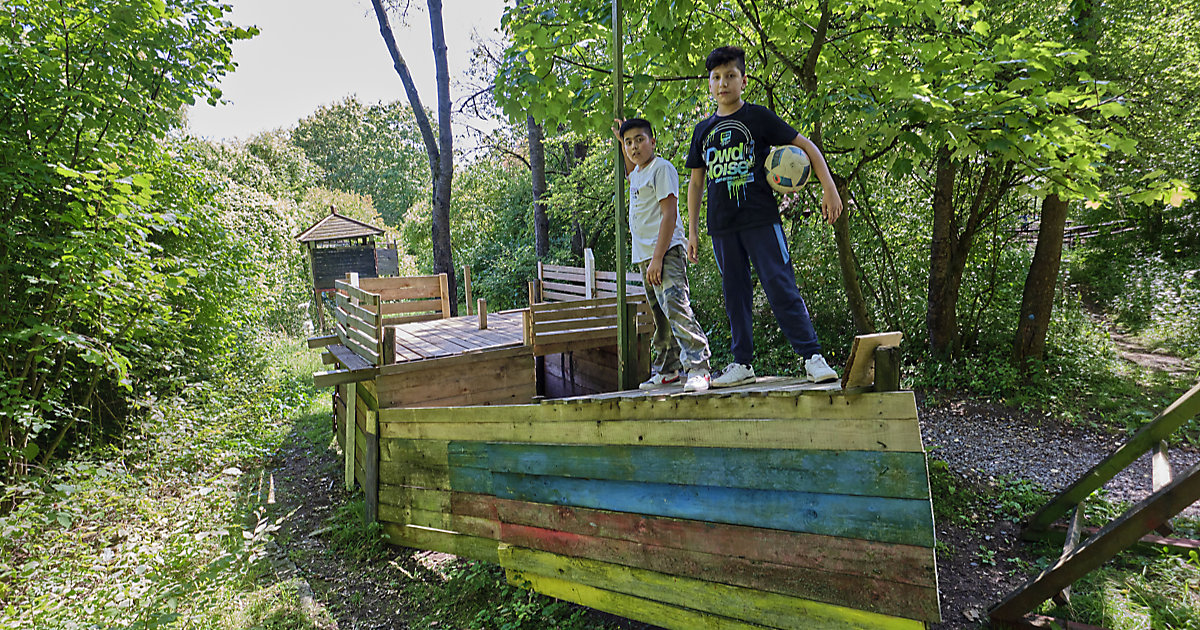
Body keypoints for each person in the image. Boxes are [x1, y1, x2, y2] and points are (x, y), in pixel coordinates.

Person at [684, 45, 843, 387]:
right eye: (716, 77)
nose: (723, 82)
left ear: (743, 80)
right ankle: (742, 363)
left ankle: (813, 357)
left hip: (761, 220)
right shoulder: (702, 130)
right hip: (722, 228)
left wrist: (829, 187)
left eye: (730, 75)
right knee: (735, 294)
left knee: (780, 285)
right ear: (709, 85)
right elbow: (696, 182)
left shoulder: (759, 117)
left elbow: (807, 147)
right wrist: (693, 231)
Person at [613, 117, 713, 392]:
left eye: (640, 140)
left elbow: (669, 214)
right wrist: (622, 141)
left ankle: (699, 367)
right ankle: (668, 369)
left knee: (675, 305)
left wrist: (658, 258)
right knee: (659, 313)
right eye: (629, 142)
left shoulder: (661, 169)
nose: (634, 147)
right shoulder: (637, 174)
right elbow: (630, 167)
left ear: (653, 142)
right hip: (645, 255)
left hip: (665, 251)